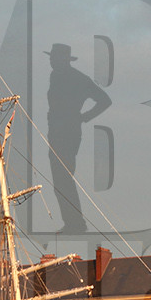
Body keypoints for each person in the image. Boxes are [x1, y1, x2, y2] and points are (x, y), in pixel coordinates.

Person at [43, 43, 110, 234]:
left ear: (63, 59)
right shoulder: (55, 76)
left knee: (64, 177)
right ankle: (72, 222)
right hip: (55, 131)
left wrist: (84, 117)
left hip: (67, 132)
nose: (51, 61)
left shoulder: (78, 78)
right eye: (51, 57)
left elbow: (105, 100)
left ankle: (76, 224)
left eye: (54, 57)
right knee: (59, 180)